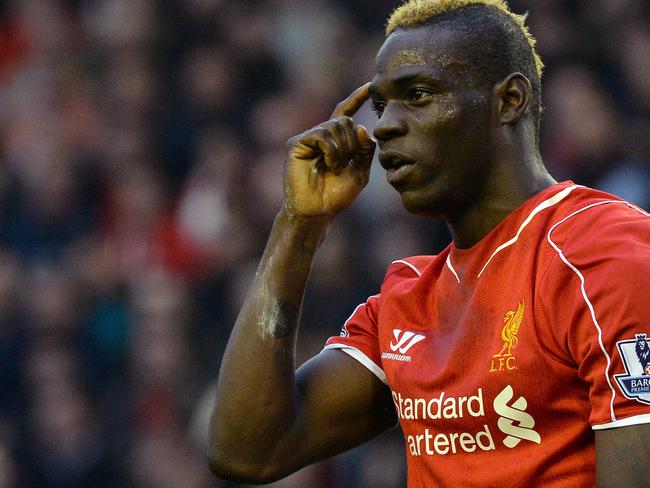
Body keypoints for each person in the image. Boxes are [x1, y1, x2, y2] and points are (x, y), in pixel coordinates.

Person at [208, 0, 650, 485]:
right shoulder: (407, 302)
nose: (384, 126)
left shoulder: (603, 255)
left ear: (509, 100)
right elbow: (248, 450)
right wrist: (299, 224)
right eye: (381, 105)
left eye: (418, 95)